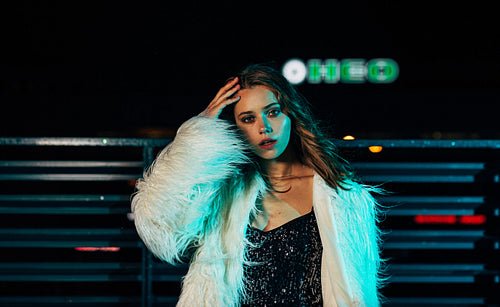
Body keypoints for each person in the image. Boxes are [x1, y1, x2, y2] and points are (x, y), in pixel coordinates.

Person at [131, 64, 386, 306]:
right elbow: (161, 226)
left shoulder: (342, 198)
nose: (264, 127)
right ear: (236, 128)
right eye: (248, 118)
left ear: (291, 114)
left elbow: (355, 294)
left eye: (273, 112)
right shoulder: (223, 194)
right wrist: (200, 131)